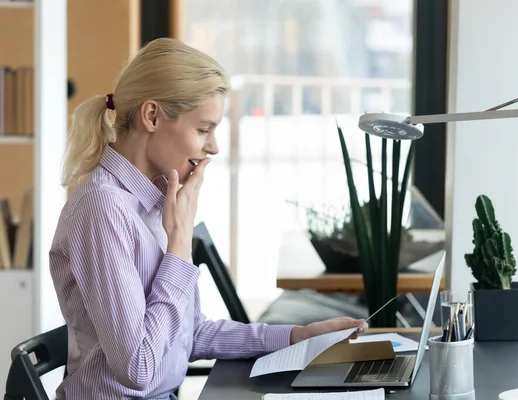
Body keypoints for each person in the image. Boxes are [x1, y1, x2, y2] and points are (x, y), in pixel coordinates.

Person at [48, 37, 366, 400]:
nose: (213, 147)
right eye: (203, 129)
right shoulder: (102, 210)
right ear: (152, 116)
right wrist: (179, 249)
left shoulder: (153, 203)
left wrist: (296, 336)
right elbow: (138, 367)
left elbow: (189, 334)